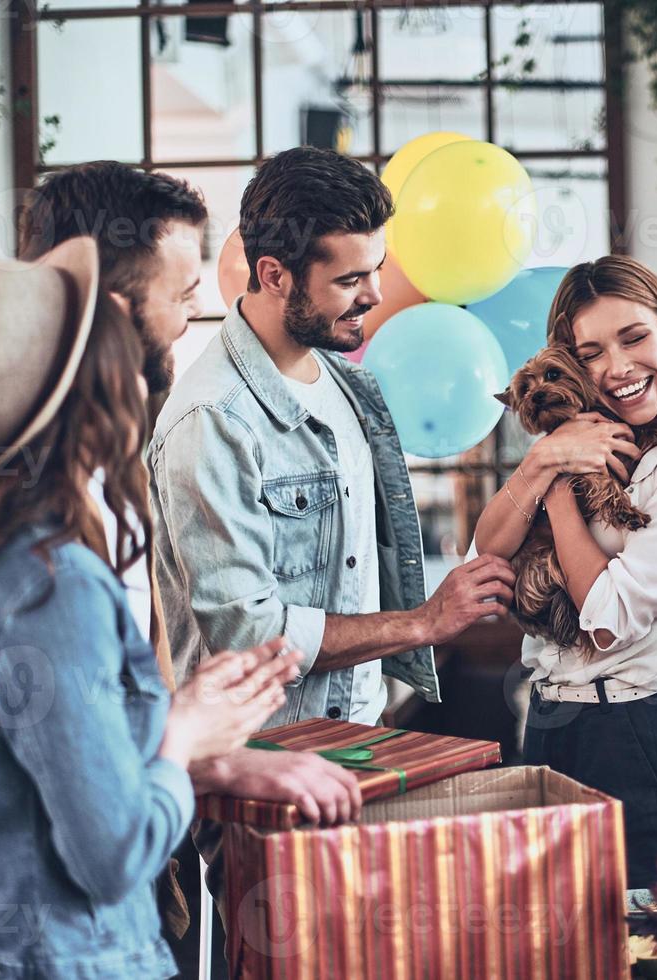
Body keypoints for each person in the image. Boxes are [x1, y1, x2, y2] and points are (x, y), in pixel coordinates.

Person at [0, 162, 363, 974]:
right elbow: (97, 842)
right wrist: (185, 732)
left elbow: (67, 728)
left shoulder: (38, 515)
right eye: (179, 295)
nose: (191, 319)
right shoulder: (37, 564)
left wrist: (216, 753)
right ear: (105, 338)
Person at [150, 146, 514, 734]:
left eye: (376, 268)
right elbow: (251, 635)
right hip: (262, 770)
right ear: (273, 275)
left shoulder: (350, 386)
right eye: (350, 278)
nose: (374, 294)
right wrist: (421, 624)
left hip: (361, 739)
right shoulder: (211, 418)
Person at [469, 255, 657, 889]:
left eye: (634, 338)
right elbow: (487, 553)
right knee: (559, 946)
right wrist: (546, 456)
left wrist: (558, 489)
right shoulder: (576, 443)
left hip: (635, 734)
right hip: (547, 720)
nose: (618, 368)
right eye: (591, 352)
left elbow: (610, 617)